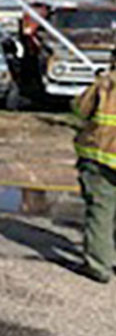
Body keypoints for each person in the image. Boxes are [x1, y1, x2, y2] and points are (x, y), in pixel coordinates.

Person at [72, 47, 116, 283]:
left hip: (102, 158)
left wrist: (98, 82)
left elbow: (80, 109)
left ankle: (99, 266)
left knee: (101, 211)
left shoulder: (106, 85)